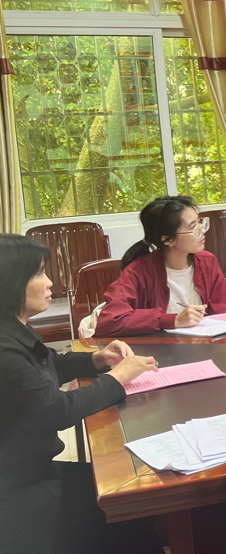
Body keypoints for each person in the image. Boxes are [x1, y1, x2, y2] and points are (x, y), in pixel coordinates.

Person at [0, 234, 161, 554]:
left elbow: (46, 364)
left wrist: (96, 359)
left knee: (131, 496)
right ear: (11, 283)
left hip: (28, 473)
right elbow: (57, 410)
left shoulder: (13, 328)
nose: (50, 283)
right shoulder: (4, 349)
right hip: (18, 491)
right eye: (39, 274)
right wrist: (118, 377)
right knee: (129, 503)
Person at [95, 196, 226, 337]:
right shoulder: (137, 272)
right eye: (193, 227)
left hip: (203, 344)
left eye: (200, 222)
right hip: (159, 347)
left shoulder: (207, 262)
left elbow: (225, 312)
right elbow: (110, 321)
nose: (203, 231)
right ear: (168, 240)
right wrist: (173, 320)